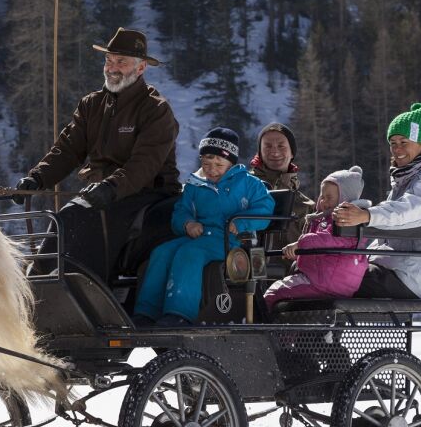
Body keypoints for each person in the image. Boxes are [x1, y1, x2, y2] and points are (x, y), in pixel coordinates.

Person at [14, 27, 180, 280]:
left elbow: (144, 165)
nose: (112, 68)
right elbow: (68, 149)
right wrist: (37, 178)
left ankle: (85, 285)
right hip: (101, 191)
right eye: (108, 60)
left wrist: (111, 187)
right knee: (64, 218)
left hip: (147, 193)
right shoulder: (91, 105)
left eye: (121, 62)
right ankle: (39, 279)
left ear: (141, 68)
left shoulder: (156, 110)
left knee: (79, 215)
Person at [131, 128, 275, 326]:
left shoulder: (249, 184)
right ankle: (146, 312)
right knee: (161, 252)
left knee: (190, 253)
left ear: (231, 163)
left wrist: (241, 222)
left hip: (229, 241)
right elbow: (181, 212)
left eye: (219, 164)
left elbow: (265, 209)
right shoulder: (195, 185)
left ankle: (180, 313)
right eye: (207, 163)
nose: (212, 169)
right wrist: (187, 224)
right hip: (198, 237)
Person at [333, 103, 421, 299]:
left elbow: (408, 211)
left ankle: (312, 328)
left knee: (331, 276)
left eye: (404, 142)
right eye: (393, 143)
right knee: (323, 269)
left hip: (405, 276)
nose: (397, 149)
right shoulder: (407, 179)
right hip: (389, 268)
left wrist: (367, 216)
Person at [264, 166, 371, 306]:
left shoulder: (345, 220)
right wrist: (299, 254)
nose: (323, 202)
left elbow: (325, 240)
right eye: (322, 197)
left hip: (325, 281)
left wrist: (299, 245)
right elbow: (326, 251)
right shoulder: (326, 220)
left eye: (329, 197)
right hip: (333, 279)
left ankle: (263, 325)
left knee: (272, 293)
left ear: (344, 198)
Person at [247, 122, 315, 245]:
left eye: (281, 146)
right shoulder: (242, 187)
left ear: (292, 152)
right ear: (260, 153)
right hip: (245, 262)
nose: (275, 152)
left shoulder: (306, 206)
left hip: (292, 264)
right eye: (267, 146)